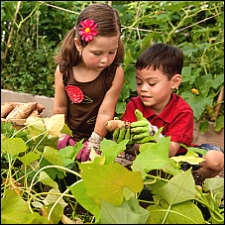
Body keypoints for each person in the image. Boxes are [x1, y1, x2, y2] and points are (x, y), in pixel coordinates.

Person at [113, 43, 224, 184]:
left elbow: (171, 151)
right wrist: (128, 144)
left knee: (215, 159)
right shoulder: (134, 105)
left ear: (174, 82)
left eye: (152, 83)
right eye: (139, 83)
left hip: (179, 161)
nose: (143, 89)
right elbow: (130, 147)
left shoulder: (182, 111)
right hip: (144, 159)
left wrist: (153, 134)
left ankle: (194, 180)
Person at [53, 3, 124, 162]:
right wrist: (62, 136)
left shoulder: (114, 74)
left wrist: (95, 142)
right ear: (79, 44)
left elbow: (106, 112)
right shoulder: (64, 71)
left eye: (112, 51)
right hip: (70, 136)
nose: (105, 60)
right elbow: (60, 107)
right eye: (97, 53)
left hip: (100, 140)